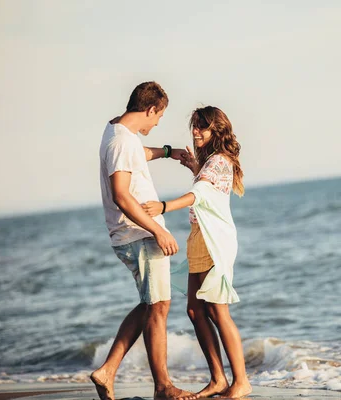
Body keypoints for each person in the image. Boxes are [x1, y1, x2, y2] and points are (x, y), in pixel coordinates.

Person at [92, 81, 195, 400]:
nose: (158, 122)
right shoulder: (121, 142)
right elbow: (122, 196)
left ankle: (107, 370)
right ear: (150, 109)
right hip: (137, 234)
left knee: (153, 303)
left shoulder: (118, 133)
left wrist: (166, 152)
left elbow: (136, 155)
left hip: (133, 234)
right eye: (159, 116)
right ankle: (163, 387)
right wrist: (158, 230)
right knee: (159, 306)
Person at [142, 106, 252, 399]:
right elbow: (208, 188)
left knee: (217, 310)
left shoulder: (218, 161)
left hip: (213, 241)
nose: (195, 131)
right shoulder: (211, 163)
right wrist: (194, 167)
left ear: (216, 129)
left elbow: (201, 195)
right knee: (195, 310)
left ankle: (240, 382)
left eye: (202, 127)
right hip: (199, 239)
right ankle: (218, 379)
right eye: (194, 126)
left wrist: (163, 207)